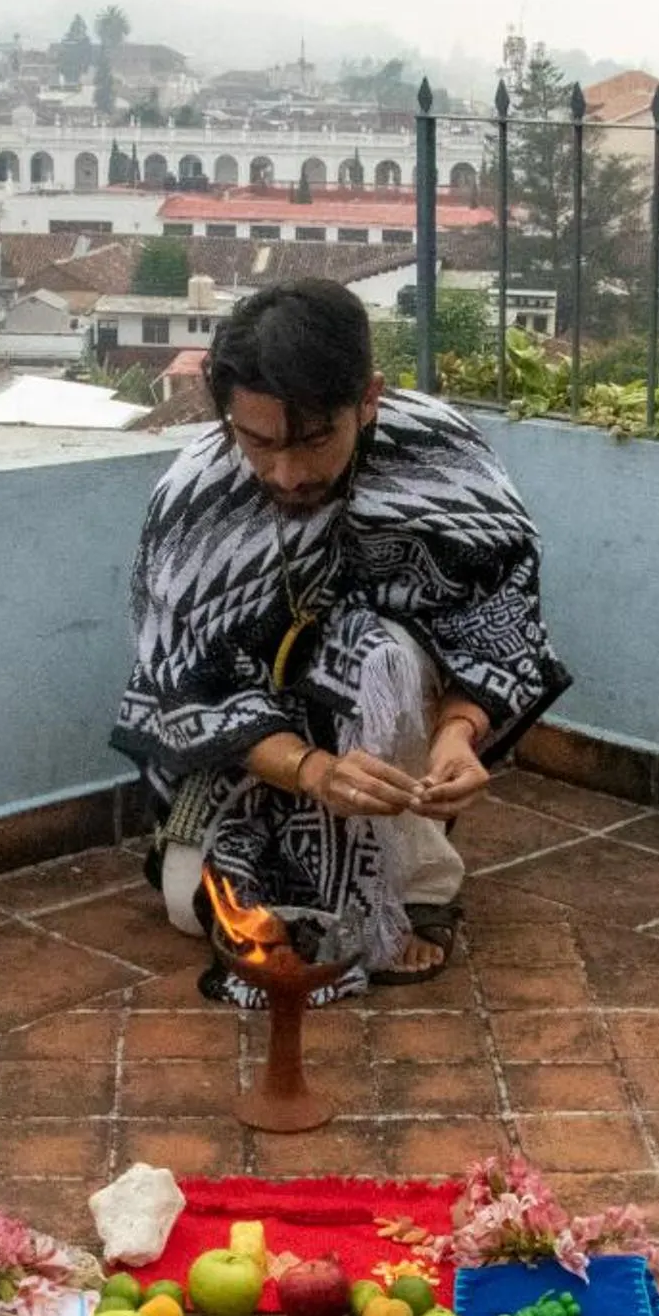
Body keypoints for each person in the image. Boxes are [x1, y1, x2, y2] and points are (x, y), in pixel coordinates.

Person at [113, 278, 570, 991]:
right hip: (251, 754)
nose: (288, 473)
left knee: (375, 652)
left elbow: (497, 606)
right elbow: (189, 681)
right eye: (258, 442)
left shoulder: (439, 454)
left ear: (370, 399)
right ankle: (220, 848)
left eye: (316, 439)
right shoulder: (196, 501)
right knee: (185, 905)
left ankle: (415, 886)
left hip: (387, 701)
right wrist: (313, 772)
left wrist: (459, 733)